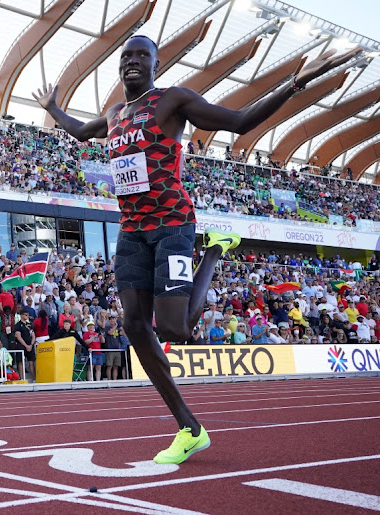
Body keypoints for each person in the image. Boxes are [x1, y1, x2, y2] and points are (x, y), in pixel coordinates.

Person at [32, 34, 358, 465]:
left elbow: (240, 121)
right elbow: (79, 132)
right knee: (134, 327)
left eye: (141, 56)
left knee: (175, 331)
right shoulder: (114, 114)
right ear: (119, 66)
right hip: (132, 232)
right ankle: (190, 428)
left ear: (155, 63)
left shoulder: (173, 101)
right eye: (126, 56)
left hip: (172, 225)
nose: (132, 61)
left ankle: (216, 251)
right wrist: (52, 108)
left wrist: (296, 83)